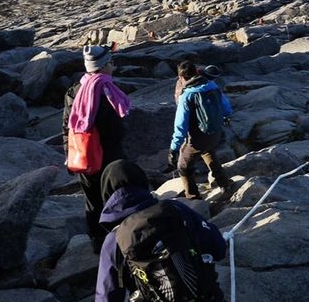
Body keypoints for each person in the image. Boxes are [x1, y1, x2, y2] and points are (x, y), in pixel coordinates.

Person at [95, 159, 227, 302]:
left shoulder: (113, 241)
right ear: (142, 182)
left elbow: (106, 295)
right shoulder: (175, 209)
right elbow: (218, 247)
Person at [64, 45, 132, 252]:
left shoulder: (74, 91)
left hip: (83, 156)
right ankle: (119, 242)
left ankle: (97, 243)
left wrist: (69, 154)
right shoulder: (107, 91)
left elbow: (67, 125)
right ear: (103, 66)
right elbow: (115, 130)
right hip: (109, 158)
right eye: (110, 62)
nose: (112, 66)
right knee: (116, 198)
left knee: (92, 201)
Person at [168, 61, 234, 199]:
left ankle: (193, 197)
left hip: (196, 140)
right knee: (208, 151)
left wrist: (173, 148)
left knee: (183, 166)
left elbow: (180, 126)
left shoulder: (186, 96)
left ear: (181, 77)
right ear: (197, 71)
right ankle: (224, 183)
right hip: (215, 134)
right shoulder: (213, 86)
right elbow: (226, 108)